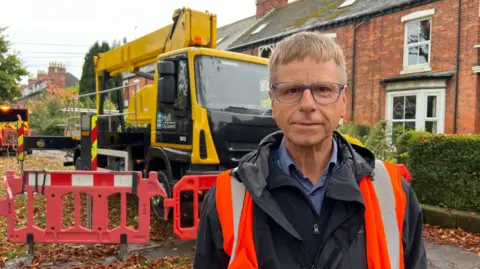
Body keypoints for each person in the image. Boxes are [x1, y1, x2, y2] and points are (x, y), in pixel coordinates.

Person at [193, 31, 427, 269]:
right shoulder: (228, 196)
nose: (307, 104)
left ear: (343, 101)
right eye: (291, 90)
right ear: (273, 101)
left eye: (323, 89)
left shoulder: (393, 194)